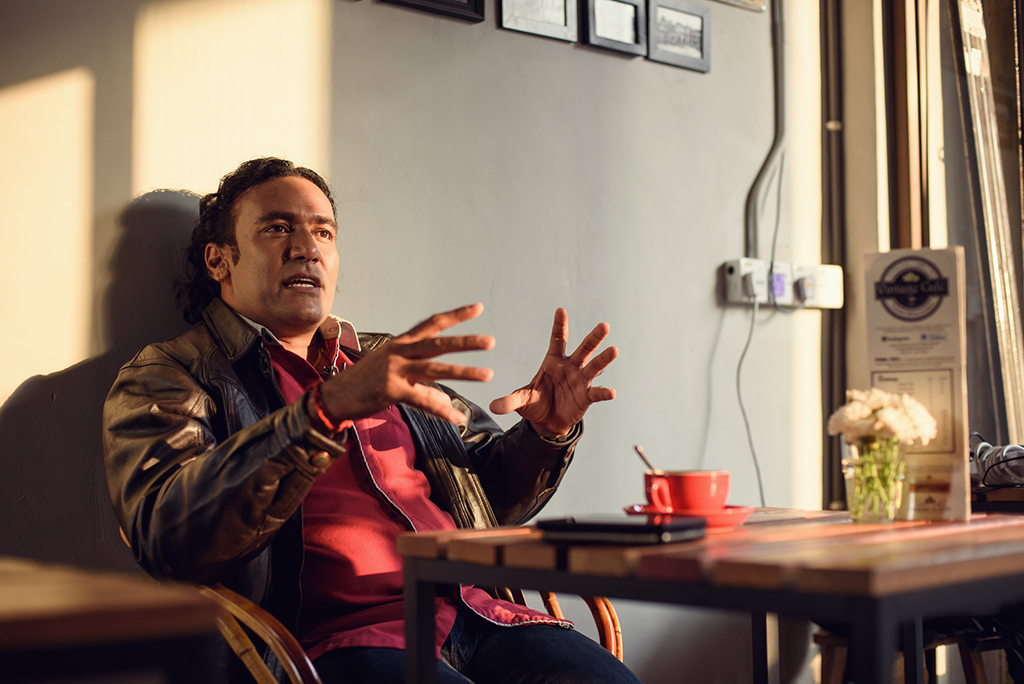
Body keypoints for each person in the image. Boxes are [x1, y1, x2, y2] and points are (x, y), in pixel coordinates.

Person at [103, 157, 642, 684]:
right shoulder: (171, 374)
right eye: (277, 228)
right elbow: (172, 537)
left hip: (481, 613)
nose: (307, 248)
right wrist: (321, 412)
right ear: (219, 260)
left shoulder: (381, 359)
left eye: (323, 232)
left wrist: (544, 434)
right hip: (336, 643)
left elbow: (484, 499)